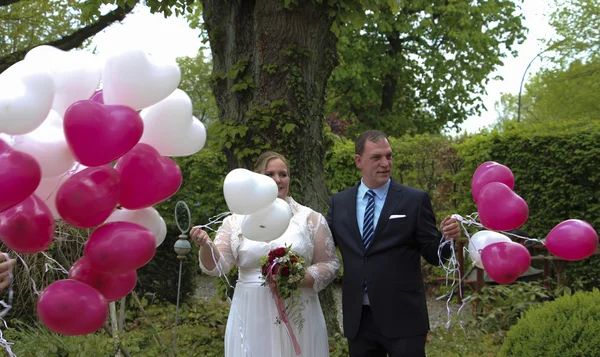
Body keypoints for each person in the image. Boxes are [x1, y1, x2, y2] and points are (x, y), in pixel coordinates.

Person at [325, 130, 461, 357]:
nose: (385, 163)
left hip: (404, 318)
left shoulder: (414, 200)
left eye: (389, 156)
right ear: (359, 161)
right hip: (359, 320)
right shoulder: (340, 203)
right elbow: (325, 246)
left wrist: (447, 239)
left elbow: (435, 256)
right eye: (376, 157)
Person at [191, 151, 340, 357]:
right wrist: (206, 245)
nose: (278, 180)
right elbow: (218, 266)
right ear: (258, 180)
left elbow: (330, 263)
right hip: (252, 309)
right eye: (270, 174)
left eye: (283, 174)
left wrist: (298, 277)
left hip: (298, 308)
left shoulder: (310, 218)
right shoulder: (236, 220)